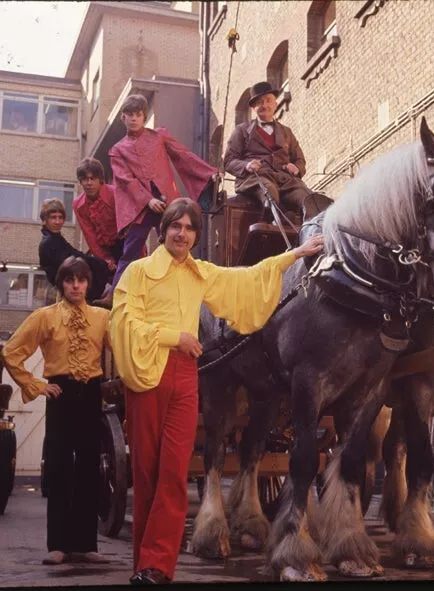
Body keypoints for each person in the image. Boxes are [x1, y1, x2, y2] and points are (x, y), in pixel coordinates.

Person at [109, 198, 324, 585]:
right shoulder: (138, 272)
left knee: (173, 472)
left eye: (191, 228)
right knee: (147, 473)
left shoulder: (201, 273)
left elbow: (248, 279)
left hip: (186, 377)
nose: (183, 233)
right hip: (146, 374)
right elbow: (124, 324)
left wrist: (296, 254)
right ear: (164, 229)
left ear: (196, 235)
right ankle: (143, 562)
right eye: (176, 225)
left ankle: (157, 565)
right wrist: (175, 337)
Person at [1, 257, 111, 566]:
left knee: (89, 468)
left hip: (91, 393)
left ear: (89, 284)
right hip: (60, 393)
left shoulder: (103, 318)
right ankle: (59, 545)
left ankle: (87, 544)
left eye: (81, 280)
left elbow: (126, 350)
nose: (76, 285)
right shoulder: (44, 317)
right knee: (60, 467)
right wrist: (37, 385)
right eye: (69, 280)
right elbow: (11, 352)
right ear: (61, 283)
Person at [100, 93, 218, 309]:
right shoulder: (117, 150)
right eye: (129, 115)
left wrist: (208, 172)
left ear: (144, 116)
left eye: (138, 114)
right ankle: (115, 295)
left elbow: (183, 155)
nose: (134, 118)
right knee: (131, 251)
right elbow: (125, 180)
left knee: (178, 242)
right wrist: (147, 200)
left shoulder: (159, 135)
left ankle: (190, 286)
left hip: (167, 203)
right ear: (123, 118)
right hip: (141, 208)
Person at [223, 81, 313, 216]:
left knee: (309, 199)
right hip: (256, 178)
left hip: (286, 181)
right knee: (270, 194)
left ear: (275, 103)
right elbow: (228, 161)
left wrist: (297, 168)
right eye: (260, 102)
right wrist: (247, 165)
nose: (265, 105)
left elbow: (299, 159)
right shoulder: (241, 130)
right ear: (253, 107)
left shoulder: (286, 132)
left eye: (268, 100)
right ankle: (272, 226)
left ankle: (312, 233)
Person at [38, 198, 109, 303]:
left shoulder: (55, 238)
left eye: (60, 217)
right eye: (53, 218)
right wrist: (102, 264)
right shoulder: (49, 242)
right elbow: (72, 262)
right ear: (45, 220)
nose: (58, 222)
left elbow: (74, 253)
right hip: (65, 296)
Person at [73, 157, 124, 282]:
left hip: (125, 242)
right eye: (85, 179)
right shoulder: (78, 205)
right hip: (105, 250)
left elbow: (128, 224)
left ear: (100, 179)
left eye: (93, 178)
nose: (89, 183)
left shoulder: (114, 193)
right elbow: (91, 237)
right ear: (80, 181)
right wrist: (106, 259)